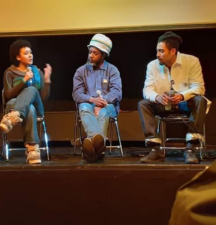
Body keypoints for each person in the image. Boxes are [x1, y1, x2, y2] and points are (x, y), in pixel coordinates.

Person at [138, 31, 209, 164]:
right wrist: (157, 97)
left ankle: (190, 149)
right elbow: (147, 89)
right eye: (157, 51)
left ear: (172, 51)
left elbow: (199, 87)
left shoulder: (191, 61)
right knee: (143, 103)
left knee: (200, 100)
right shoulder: (152, 65)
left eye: (161, 51)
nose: (157, 54)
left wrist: (183, 95)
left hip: (184, 103)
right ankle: (155, 150)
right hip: (163, 104)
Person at [0, 39, 52, 164]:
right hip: (14, 104)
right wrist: (24, 80)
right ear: (18, 57)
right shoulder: (10, 72)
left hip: (37, 107)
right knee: (30, 109)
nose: (30, 55)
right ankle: (33, 149)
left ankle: (14, 116)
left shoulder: (37, 72)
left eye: (31, 52)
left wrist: (47, 80)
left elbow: (43, 97)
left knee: (32, 90)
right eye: (26, 53)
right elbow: (8, 95)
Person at [73, 34, 122, 163]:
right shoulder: (80, 71)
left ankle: (91, 147)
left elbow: (117, 92)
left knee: (104, 112)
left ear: (103, 55)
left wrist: (102, 103)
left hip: (108, 106)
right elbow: (76, 94)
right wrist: (92, 100)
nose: (91, 55)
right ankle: (98, 148)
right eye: (90, 52)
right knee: (83, 106)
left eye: (95, 53)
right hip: (88, 105)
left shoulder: (112, 70)